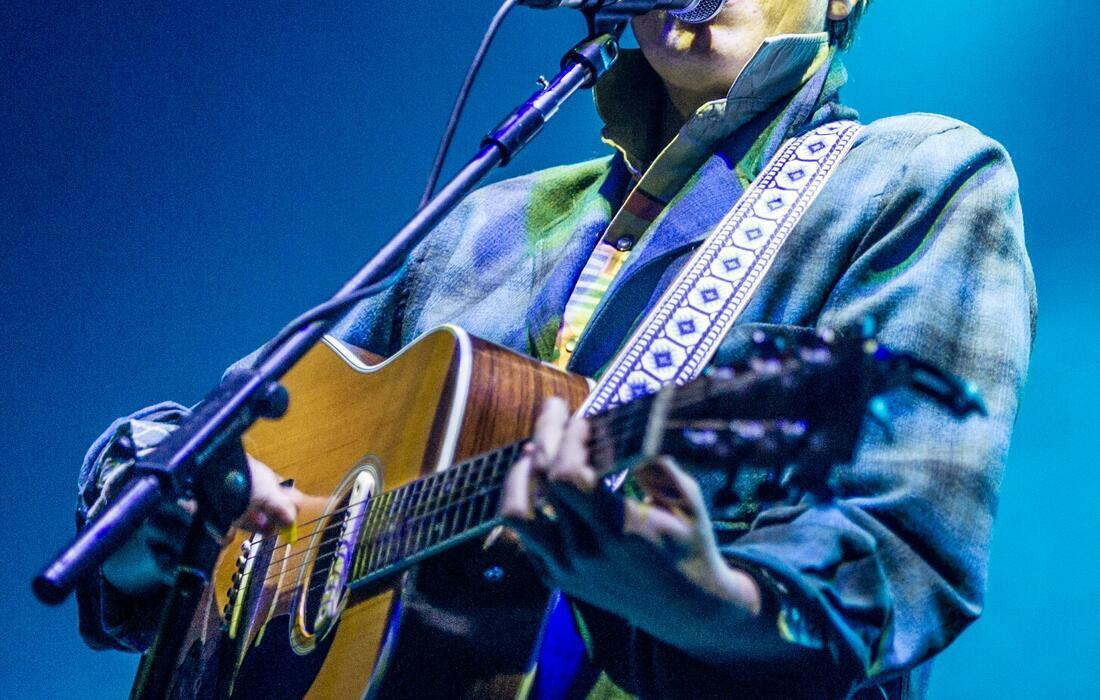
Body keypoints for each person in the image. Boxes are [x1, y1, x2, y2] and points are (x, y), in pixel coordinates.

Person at [75, 1, 1036, 697]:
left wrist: (696, 592)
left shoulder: (916, 179)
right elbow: (244, 444)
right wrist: (154, 512)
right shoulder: (487, 220)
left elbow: (898, 561)